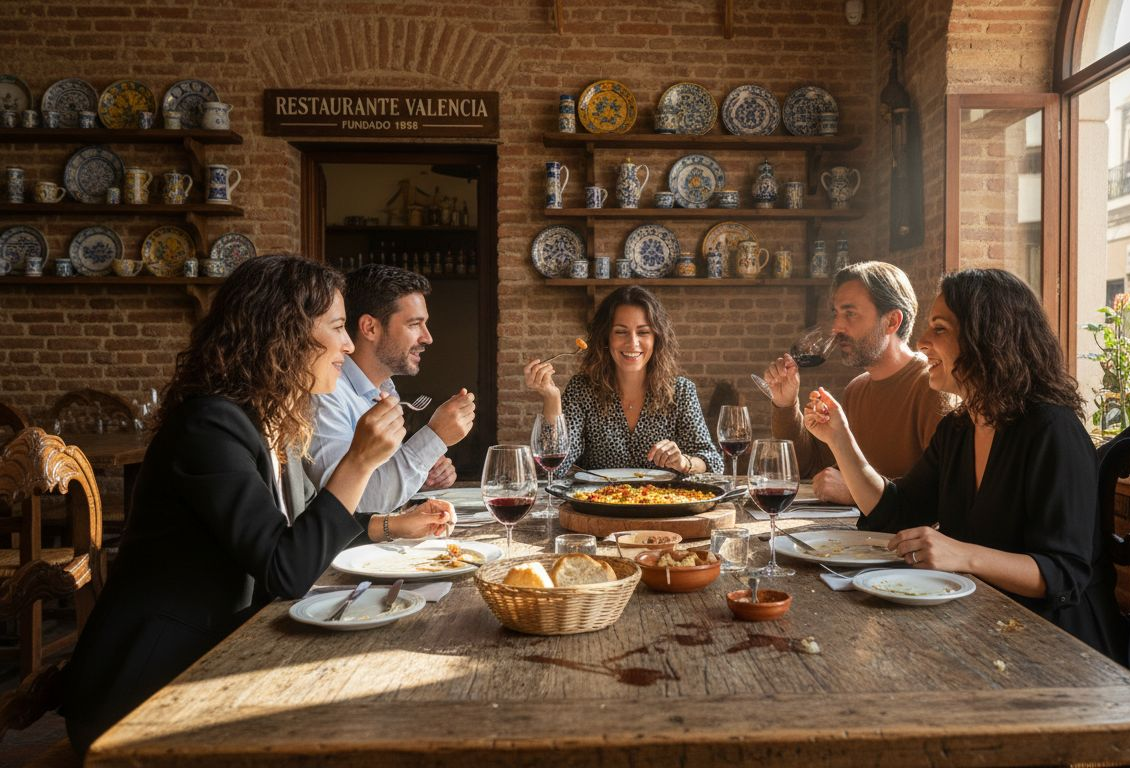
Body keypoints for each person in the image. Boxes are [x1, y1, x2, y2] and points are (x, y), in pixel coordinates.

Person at [59, 256, 452, 755]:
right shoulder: (208, 427)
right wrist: (357, 462)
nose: (350, 344)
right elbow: (285, 569)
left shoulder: (264, 419)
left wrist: (390, 526)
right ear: (284, 335)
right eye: (336, 327)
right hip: (149, 691)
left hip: (216, 655)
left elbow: (288, 533)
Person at [802, 268, 1126, 661]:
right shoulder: (961, 427)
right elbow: (895, 511)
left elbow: (1063, 575)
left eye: (939, 329)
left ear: (987, 339)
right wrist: (839, 437)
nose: (922, 342)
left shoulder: (1051, 429)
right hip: (978, 628)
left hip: (1055, 647)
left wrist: (963, 554)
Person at [306, 264, 476, 532]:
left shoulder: (385, 388)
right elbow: (355, 506)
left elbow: (379, 483)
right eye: (414, 324)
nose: (427, 338)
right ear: (370, 328)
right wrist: (434, 437)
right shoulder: (326, 394)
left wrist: (421, 477)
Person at [763, 261, 950, 503]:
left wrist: (856, 491)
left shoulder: (933, 387)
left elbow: (941, 491)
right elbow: (811, 469)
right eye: (836, 313)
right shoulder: (857, 389)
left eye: (850, 313)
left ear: (892, 321)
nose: (836, 327)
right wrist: (786, 404)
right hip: (853, 536)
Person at [523, 286, 723, 476]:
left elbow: (713, 462)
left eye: (643, 332)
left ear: (656, 338)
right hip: (598, 506)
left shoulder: (681, 391)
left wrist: (684, 462)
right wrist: (551, 397)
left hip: (663, 507)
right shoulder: (582, 389)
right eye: (620, 331)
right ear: (606, 337)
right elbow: (554, 468)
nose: (632, 342)